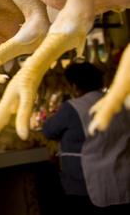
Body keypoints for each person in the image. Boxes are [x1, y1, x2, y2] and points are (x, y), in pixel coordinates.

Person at [43, 62, 130, 213]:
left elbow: (48, 130)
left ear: (75, 86)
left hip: (86, 183)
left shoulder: (73, 107)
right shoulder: (120, 102)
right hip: (122, 177)